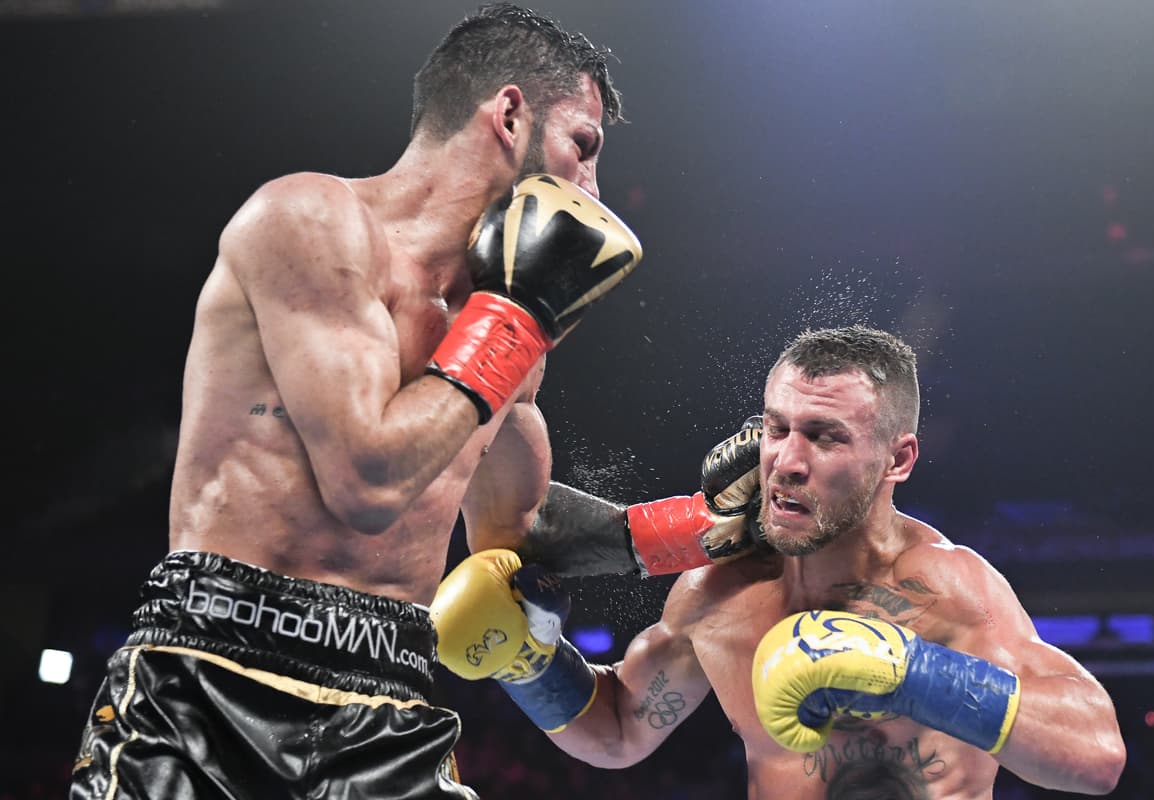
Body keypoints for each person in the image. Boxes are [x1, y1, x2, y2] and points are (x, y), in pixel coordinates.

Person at [70, 5, 765, 798]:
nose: (593, 189)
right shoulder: (310, 223)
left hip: (390, 702)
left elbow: (519, 524)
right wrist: (518, 318)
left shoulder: (500, 317)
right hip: (212, 682)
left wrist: (701, 529)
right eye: (584, 145)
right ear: (509, 115)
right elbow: (367, 481)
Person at [430, 325, 1128, 799]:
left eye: (825, 436)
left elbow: (1097, 754)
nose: (787, 462)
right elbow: (616, 732)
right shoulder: (720, 596)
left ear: (898, 459)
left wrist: (916, 674)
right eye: (776, 428)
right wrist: (531, 663)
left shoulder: (948, 593)